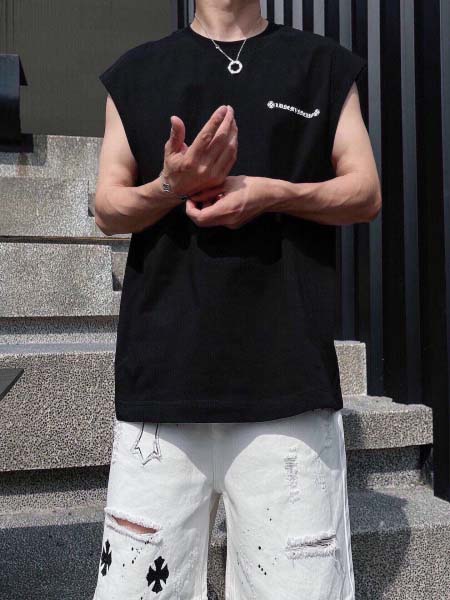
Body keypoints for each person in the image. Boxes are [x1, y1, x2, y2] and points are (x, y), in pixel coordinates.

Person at [92, 1, 381, 598]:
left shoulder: (323, 66)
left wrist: (274, 192)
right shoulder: (137, 72)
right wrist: (170, 186)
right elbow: (108, 208)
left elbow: (364, 191)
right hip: (163, 391)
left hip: (288, 386)